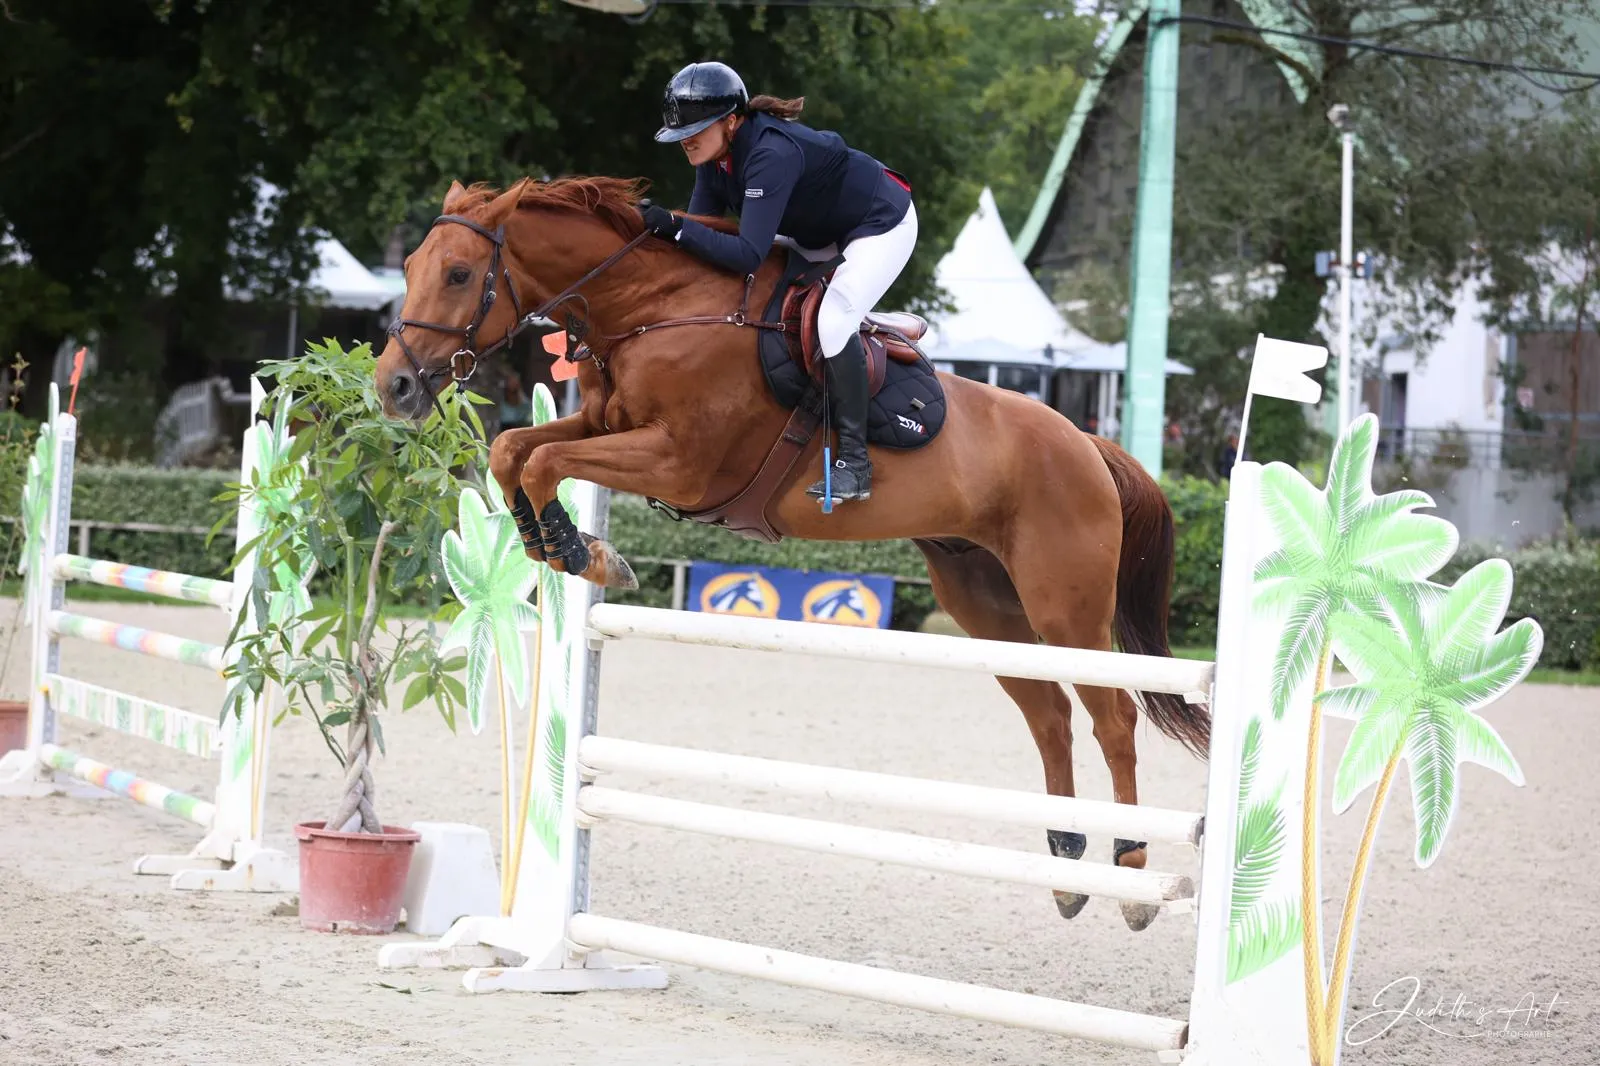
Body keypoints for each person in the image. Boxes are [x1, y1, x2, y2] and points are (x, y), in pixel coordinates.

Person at [641, 60, 917, 505]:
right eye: (679, 134)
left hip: (879, 222)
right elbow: (701, 231)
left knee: (832, 319)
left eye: (695, 130)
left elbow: (745, 254)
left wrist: (671, 226)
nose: (685, 141)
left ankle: (855, 463)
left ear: (731, 122)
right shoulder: (714, 158)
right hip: (817, 233)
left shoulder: (771, 153)